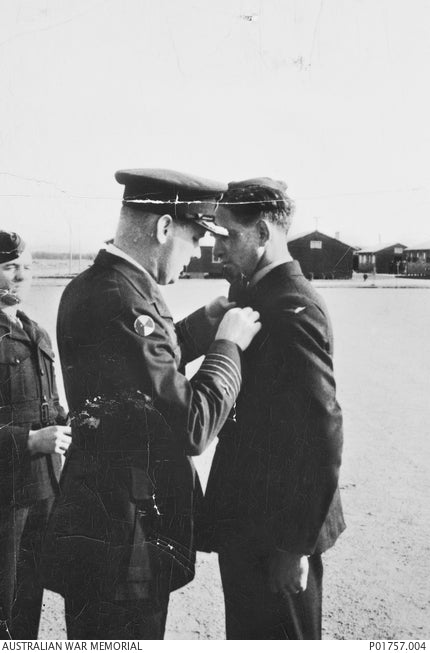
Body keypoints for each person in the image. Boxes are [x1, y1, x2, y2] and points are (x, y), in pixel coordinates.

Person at [41, 169, 261, 640]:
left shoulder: (96, 284)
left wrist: (201, 326)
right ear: (163, 229)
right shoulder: (127, 301)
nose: (200, 251)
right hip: (125, 540)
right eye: (195, 236)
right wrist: (228, 348)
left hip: (101, 528)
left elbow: (137, 370)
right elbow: (192, 427)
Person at [201, 178, 346, 639]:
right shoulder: (254, 294)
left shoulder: (292, 305)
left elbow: (323, 430)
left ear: (263, 233)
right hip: (247, 521)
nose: (215, 247)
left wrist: (295, 545)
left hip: (277, 532)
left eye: (228, 235)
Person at [0, 231, 71, 639]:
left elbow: (52, 404)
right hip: (5, 497)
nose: (23, 276)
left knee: (29, 601)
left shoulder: (36, 332)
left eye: (27, 267)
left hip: (44, 489)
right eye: (11, 267)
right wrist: (27, 441)